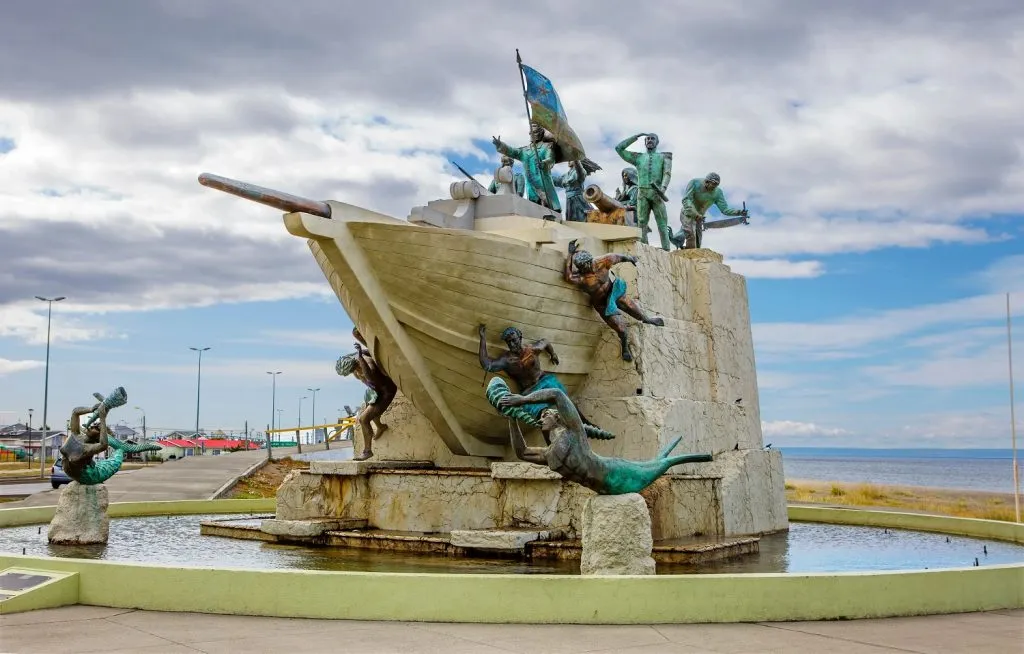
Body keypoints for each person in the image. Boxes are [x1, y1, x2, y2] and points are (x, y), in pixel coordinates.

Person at [497, 386, 712, 495]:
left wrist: (523, 399)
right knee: (659, 462)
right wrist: (511, 419)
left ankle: (692, 457)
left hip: (615, 474)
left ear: (558, 418)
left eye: (546, 415)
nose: (541, 418)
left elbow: (556, 394)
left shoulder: (574, 432)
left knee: (662, 463)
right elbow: (522, 452)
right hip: (603, 489)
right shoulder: (549, 452)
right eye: (541, 416)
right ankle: (671, 457)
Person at [478, 325, 610, 444]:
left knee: (566, 401)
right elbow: (487, 365)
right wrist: (483, 339)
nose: (512, 343)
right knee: (543, 417)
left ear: (520, 337)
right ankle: (551, 446)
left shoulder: (532, 349)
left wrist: (553, 354)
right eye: (509, 342)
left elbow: (545, 342)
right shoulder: (507, 360)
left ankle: (584, 424)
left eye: (514, 339)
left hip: (545, 380)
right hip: (529, 390)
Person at [563, 240, 664, 362]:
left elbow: (619, 257)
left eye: (588, 263)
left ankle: (647, 319)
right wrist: (570, 254)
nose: (587, 267)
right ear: (580, 268)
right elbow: (567, 277)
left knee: (629, 305)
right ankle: (625, 347)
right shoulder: (581, 278)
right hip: (602, 304)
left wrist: (631, 259)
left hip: (614, 292)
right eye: (583, 266)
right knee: (621, 329)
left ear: (590, 260)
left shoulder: (602, 261)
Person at [60, 390, 160, 485]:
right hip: (79, 472)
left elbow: (103, 445)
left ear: (98, 435)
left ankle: (121, 449)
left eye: (96, 427)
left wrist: (103, 419)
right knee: (110, 454)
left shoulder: (86, 449)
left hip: (90, 476)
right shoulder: (76, 434)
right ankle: (119, 449)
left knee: (119, 453)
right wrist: (91, 409)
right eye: (94, 425)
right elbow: (75, 412)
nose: (93, 425)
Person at [335, 328, 397, 460]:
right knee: (373, 414)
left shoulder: (367, 367)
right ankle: (381, 427)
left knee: (364, 419)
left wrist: (361, 360)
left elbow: (373, 378)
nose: (352, 374)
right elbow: (372, 350)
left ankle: (367, 451)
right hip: (375, 391)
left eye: (351, 371)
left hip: (386, 392)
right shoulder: (357, 359)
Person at [615, 133, 673, 250]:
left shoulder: (663, 157)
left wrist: (663, 188)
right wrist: (635, 137)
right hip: (642, 194)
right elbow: (619, 148)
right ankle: (644, 248)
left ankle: (666, 248)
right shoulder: (638, 158)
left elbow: (667, 174)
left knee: (662, 223)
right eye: (647, 139)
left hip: (657, 194)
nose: (649, 141)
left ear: (657, 142)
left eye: (652, 139)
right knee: (641, 222)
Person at [670, 173, 748, 249]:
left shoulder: (718, 193)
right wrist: (695, 214)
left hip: (699, 218)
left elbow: (725, 210)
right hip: (688, 213)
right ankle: (687, 254)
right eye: (713, 184)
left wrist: (739, 212)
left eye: (716, 185)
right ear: (707, 182)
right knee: (691, 235)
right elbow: (686, 200)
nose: (714, 187)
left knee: (698, 241)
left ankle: (691, 253)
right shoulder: (694, 183)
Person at [492, 123, 559, 211]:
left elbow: (551, 159)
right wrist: (500, 144)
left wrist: (544, 163)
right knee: (534, 209)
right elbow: (512, 151)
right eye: (530, 132)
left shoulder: (547, 146)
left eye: (534, 132)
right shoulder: (524, 150)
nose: (531, 134)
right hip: (531, 184)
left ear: (540, 133)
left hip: (543, 183)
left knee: (550, 209)